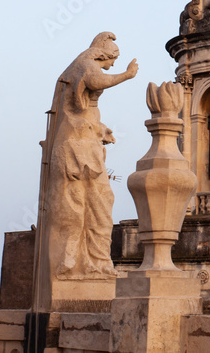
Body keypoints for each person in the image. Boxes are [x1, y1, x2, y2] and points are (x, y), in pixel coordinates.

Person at [44, 32, 138, 279]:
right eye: (113, 58)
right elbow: (96, 81)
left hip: (83, 145)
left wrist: (100, 129)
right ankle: (83, 263)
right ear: (104, 54)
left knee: (98, 204)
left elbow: (80, 114)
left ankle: (94, 263)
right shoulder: (85, 65)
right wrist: (126, 76)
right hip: (77, 151)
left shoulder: (77, 67)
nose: (114, 64)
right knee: (86, 206)